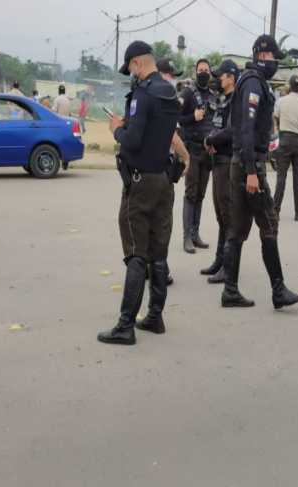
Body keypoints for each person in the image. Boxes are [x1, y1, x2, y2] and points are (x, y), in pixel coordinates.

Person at [97, 41, 180, 346]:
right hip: (163, 181)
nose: (130, 74)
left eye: (130, 67)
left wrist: (117, 129)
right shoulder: (171, 93)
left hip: (140, 182)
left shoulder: (143, 95)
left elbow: (132, 141)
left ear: (136, 63)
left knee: (135, 254)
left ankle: (125, 325)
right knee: (158, 255)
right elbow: (168, 136)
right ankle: (155, 317)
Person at [222, 34, 298, 309]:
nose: (273, 62)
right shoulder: (254, 83)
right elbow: (245, 128)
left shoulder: (252, 82)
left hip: (244, 163)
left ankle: (230, 291)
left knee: (238, 229)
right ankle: (278, 290)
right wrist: (251, 171)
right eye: (270, 57)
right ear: (259, 54)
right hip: (249, 165)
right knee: (268, 224)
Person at [201, 59, 241, 285]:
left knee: (227, 214)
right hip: (218, 160)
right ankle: (219, 260)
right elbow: (216, 125)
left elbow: (232, 130)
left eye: (222, 75)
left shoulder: (236, 100)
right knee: (220, 214)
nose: (219, 79)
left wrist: (212, 138)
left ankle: (228, 266)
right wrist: (210, 139)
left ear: (231, 77)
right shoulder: (223, 99)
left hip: (227, 162)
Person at [178, 59, 218, 254]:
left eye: (206, 70)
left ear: (210, 73)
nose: (203, 72)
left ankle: (195, 234)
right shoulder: (187, 93)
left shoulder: (212, 95)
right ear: (195, 72)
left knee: (201, 194)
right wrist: (192, 117)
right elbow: (177, 118)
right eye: (200, 70)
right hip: (192, 150)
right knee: (191, 193)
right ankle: (186, 237)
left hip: (207, 152)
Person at [158, 59, 192, 287]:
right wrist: (186, 156)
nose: (172, 79)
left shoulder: (142, 94)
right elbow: (170, 133)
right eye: (169, 74)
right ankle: (161, 269)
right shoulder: (162, 97)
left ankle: (150, 268)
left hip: (144, 170)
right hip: (159, 171)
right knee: (161, 223)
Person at [273, 74, 298, 221]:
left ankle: (275, 211)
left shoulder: (281, 101)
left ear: (289, 86)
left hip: (284, 140)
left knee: (281, 177)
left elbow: (275, 116)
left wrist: (279, 126)